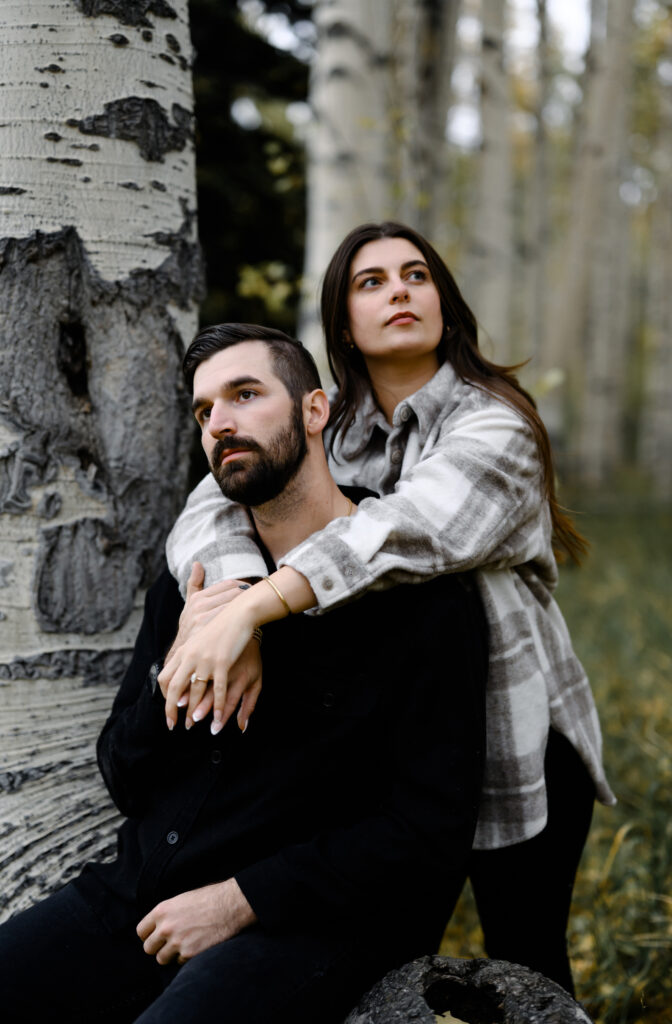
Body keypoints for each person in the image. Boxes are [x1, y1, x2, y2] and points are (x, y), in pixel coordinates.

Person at [163, 222, 616, 996]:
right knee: (385, 965)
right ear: (344, 322)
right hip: (392, 751)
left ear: (443, 302)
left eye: (416, 275)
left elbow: (410, 530)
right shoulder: (324, 423)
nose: (399, 290)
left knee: (525, 964)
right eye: (371, 283)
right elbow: (209, 505)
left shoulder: (493, 423)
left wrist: (256, 609)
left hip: (518, 735)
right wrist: (229, 605)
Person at [0, 324, 488, 1024]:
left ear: (314, 411)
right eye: (203, 411)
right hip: (139, 901)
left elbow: (427, 830)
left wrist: (241, 897)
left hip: (303, 922)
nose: (219, 423)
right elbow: (125, 772)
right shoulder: (197, 579)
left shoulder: (421, 598)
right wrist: (181, 663)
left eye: (245, 394)